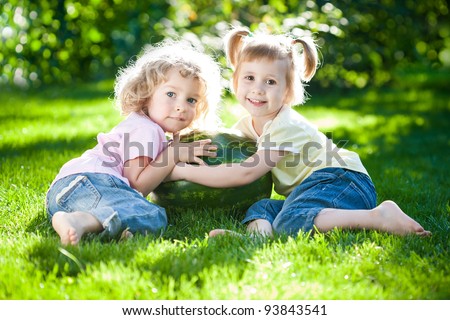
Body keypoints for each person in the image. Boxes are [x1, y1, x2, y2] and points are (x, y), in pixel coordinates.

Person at [168, 26, 431, 238]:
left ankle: (378, 216)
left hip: (341, 180)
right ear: (235, 81)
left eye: (270, 82)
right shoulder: (247, 126)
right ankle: (255, 240)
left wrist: (179, 171)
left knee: (292, 221)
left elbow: (245, 172)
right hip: (310, 190)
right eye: (249, 78)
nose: (257, 89)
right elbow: (220, 146)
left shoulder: (285, 126)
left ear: (288, 91)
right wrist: (185, 142)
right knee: (260, 208)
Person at [46, 40, 221, 245]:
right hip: (93, 183)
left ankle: (95, 225)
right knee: (153, 215)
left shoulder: (144, 126)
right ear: (146, 95)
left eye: (191, 100)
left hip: (62, 196)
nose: (181, 106)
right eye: (171, 94)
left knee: (142, 217)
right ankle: (80, 219)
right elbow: (137, 184)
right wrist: (174, 154)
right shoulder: (146, 129)